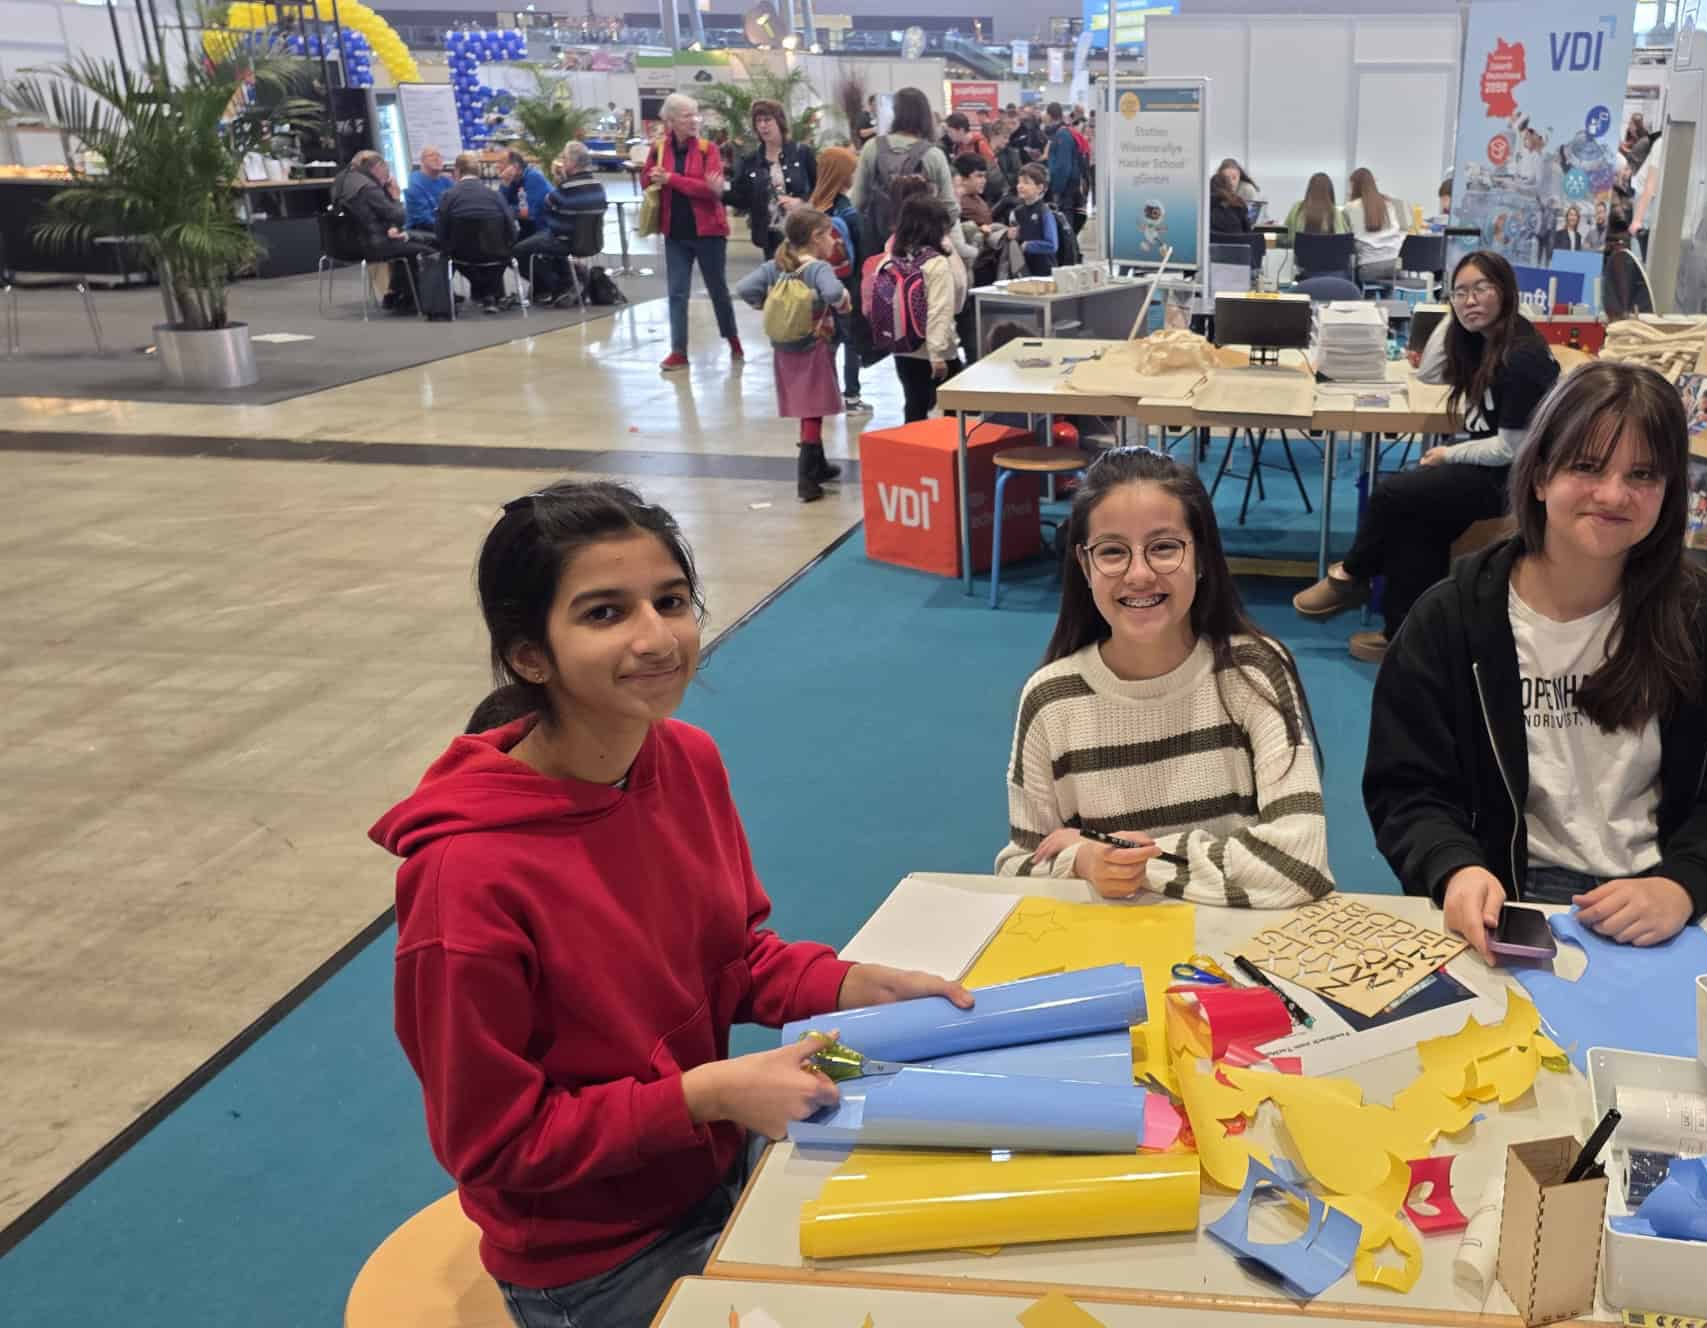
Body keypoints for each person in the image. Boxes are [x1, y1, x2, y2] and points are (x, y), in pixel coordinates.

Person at [373, 479, 973, 1328]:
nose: (658, 638)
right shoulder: (465, 878)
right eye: (604, 613)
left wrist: (851, 984)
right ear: (530, 656)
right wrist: (705, 1096)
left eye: (671, 600)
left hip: (711, 1168)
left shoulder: (685, 759)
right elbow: (494, 1144)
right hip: (594, 1260)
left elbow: (731, 958)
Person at [1362, 362, 1707, 957]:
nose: (1613, 495)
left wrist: (1684, 885)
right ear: (1540, 476)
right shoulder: (1450, 620)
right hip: (1511, 898)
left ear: (1670, 491)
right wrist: (1455, 868)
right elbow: (1408, 790)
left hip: (1662, 897)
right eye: (1587, 467)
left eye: (1643, 474)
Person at [995, 447, 1333, 907]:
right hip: (1112, 943)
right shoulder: (1051, 699)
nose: (1139, 573)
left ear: (1202, 556)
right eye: (1112, 551)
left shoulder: (1253, 671)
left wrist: (1122, 859)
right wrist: (1081, 861)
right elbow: (1018, 868)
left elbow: (1300, 864)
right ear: (1085, 565)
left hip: (1235, 942)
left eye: (1164, 548)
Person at [1292, 252, 1561, 662]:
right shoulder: (1484, 340)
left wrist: (1449, 454)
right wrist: (1456, 316)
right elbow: (1430, 373)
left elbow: (1512, 449)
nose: (1470, 300)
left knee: (1392, 494)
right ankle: (1404, 637)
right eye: (1460, 292)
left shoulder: (1522, 357)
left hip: (1514, 479)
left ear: (1506, 291)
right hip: (1488, 467)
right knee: (1415, 521)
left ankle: (1352, 575)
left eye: (1481, 289)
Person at [737, 208, 853, 503]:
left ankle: (820, 465)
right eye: (829, 235)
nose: (834, 241)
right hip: (814, 346)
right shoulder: (818, 269)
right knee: (813, 409)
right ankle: (807, 478)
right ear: (816, 237)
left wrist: (769, 304)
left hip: (784, 348)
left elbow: (744, 288)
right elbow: (834, 294)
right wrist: (840, 302)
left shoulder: (775, 266)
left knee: (806, 405)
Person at [644, 91, 742, 372]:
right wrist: (652, 177)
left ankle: (733, 340)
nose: (694, 120)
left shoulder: (708, 149)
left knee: (717, 290)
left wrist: (672, 179)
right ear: (671, 120)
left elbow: (710, 191)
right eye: (687, 116)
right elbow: (647, 181)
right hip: (675, 232)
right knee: (677, 293)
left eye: (695, 115)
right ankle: (678, 351)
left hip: (709, 232)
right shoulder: (658, 149)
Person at [877, 196, 967, 422]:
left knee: (914, 404)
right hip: (935, 349)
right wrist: (937, 354)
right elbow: (940, 310)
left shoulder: (890, 258)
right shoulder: (935, 263)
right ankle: (949, 446)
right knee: (952, 410)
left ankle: (909, 444)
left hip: (903, 345)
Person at [852, 87, 957, 257]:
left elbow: (857, 201)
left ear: (895, 114)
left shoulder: (871, 148)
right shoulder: (934, 155)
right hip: (923, 250)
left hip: (877, 245)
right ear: (925, 116)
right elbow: (950, 207)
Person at [334, 149, 435, 311]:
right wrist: (395, 197)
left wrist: (391, 225)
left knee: (405, 246)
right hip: (373, 244)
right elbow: (398, 215)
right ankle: (426, 299)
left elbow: (371, 216)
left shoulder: (341, 181)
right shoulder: (368, 187)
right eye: (385, 169)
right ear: (377, 167)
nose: (387, 174)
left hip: (348, 244)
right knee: (427, 248)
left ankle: (397, 294)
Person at [810, 146, 869, 416]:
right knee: (851, 341)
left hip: (817, 285)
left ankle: (827, 392)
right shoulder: (848, 212)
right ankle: (852, 396)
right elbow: (861, 250)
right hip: (847, 285)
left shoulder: (813, 208)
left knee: (827, 339)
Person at [515, 141, 609, 304]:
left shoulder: (567, 187)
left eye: (564, 159)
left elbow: (547, 204)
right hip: (593, 241)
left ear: (572, 163)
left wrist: (559, 179)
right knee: (545, 241)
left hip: (565, 241)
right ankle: (571, 276)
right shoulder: (598, 186)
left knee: (520, 250)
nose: (563, 162)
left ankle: (558, 286)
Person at [728, 97, 816, 261]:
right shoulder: (750, 160)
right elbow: (741, 199)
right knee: (777, 276)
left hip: (803, 232)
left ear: (779, 122)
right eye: (758, 121)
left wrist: (802, 202)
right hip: (770, 236)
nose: (763, 125)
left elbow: (820, 188)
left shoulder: (802, 153)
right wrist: (719, 192)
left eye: (767, 120)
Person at [436, 152, 521, 310]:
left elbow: (441, 231)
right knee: (492, 260)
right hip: (497, 254)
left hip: (462, 255)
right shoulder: (495, 195)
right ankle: (490, 294)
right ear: (479, 172)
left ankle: (483, 293)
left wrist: (447, 247)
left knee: (448, 254)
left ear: (457, 172)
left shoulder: (448, 196)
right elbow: (511, 227)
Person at [1343, 167, 1408, 284]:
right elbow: (1403, 231)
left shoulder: (1350, 207)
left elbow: (1346, 236)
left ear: (1355, 186)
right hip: (1395, 267)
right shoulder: (1391, 203)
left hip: (1368, 269)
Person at [1006, 163, 1060, 278]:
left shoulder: (1044, 212)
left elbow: (1052, 245)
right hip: (1023, 269)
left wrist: (1028, 245)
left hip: (1045, 272)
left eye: (1026, 182)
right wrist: (1013, 235)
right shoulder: (1016, 212)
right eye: (1019, 182)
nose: (1020, 186)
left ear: (1039, 188)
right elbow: (1018, 238)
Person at [1279, 172, 1350, 251]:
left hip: (1301, 257)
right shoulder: (1336, 212)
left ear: (1309, 189)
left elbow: (1282, 236)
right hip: (1332, 258)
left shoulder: (1297, 208)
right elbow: (1344, 240)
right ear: (1330, 191)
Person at [1043, 103, 1087, 224]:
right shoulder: (1062, 132)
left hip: (1066, 189)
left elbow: (1063, 167)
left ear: (1049, 115)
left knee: (1065, 221)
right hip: (1067, 186)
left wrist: (1057, 190)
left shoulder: (1062, 135)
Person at [499, 148, 554, 240]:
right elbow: (500, 205)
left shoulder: (534, 177)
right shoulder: (512, 180)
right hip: (529, 230)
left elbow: (528, 213)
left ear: (515, 166)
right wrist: (504, 183)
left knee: (512, 246)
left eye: (501, 162)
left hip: (545, 231)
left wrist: (506, 209)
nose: (497, 166)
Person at [406, 146, 455, 231]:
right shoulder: (415, 183)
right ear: (422, 161)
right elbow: (424, 219)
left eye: (439, 155)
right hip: (423, 231)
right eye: (431, 155)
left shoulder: (446, 181)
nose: (436, 158)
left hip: (444, 228)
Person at [951, 152, 995, 230]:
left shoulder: (976, 197)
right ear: (963, 178)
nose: (984, 181)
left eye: (984, 176)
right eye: (979, 176)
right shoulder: (958, 204)